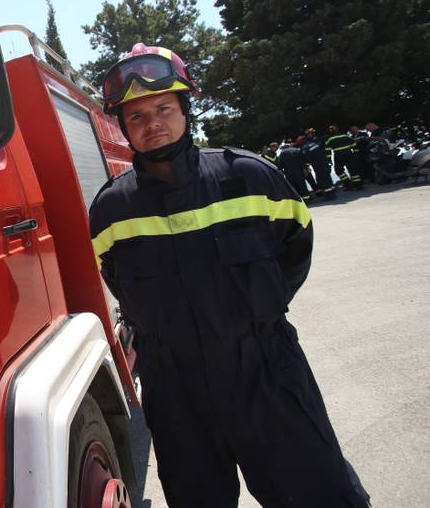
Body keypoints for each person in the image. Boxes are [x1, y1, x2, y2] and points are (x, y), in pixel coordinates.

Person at [89, 43, 369, 508]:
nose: (151, 123)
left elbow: (296, 243)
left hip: (267, 375)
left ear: (185, 109)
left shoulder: (250, 176)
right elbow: (115, 275)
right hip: (176, 391)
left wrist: (256, 312)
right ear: (123, 127)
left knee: (322, 494)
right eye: (136, 117)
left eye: (162, 108)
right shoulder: (111, 208)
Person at [325, 124, 364, 190]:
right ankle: (358, 185)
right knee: (353, 169)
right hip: (349, 154)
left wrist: (329, 160)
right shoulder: (345, 136)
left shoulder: (329, 138)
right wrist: (356, 153)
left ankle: (348, 185)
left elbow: (328, 150)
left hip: (339, 155)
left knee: (339, 170)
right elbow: (354, 144)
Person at [301, 127, 335, 198]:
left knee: (323, 178)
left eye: (310, 134)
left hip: (320, 163)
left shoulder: (316, 141)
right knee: (324, 178)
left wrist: (307, 163)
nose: (309, 135)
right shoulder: (313, 142)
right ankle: (330, 192)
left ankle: (329, 194)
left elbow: (309, 153)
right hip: (318, 163)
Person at [277, 138, 312, 203]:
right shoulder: (297, 150)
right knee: (302, 186)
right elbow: (302, 162)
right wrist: (305, 170)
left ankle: (298, 201)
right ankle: (307, 200)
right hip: (299, 172)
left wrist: (282, 174)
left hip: (289, 174)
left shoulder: (282, 153)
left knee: (293, 188)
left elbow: (280, 166)